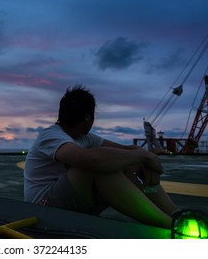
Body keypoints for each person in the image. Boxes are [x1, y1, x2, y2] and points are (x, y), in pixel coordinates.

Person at [24, 85, 180, 229]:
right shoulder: (50, 136)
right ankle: (171, 225)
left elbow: (127, 150)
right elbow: (93, 160)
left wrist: (145, 158)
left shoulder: (84, 138)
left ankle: (177, 214)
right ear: (87, 118)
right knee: (95, 167)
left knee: (128, 162)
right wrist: (143, 156)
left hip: (69, 201)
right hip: (42, 207)